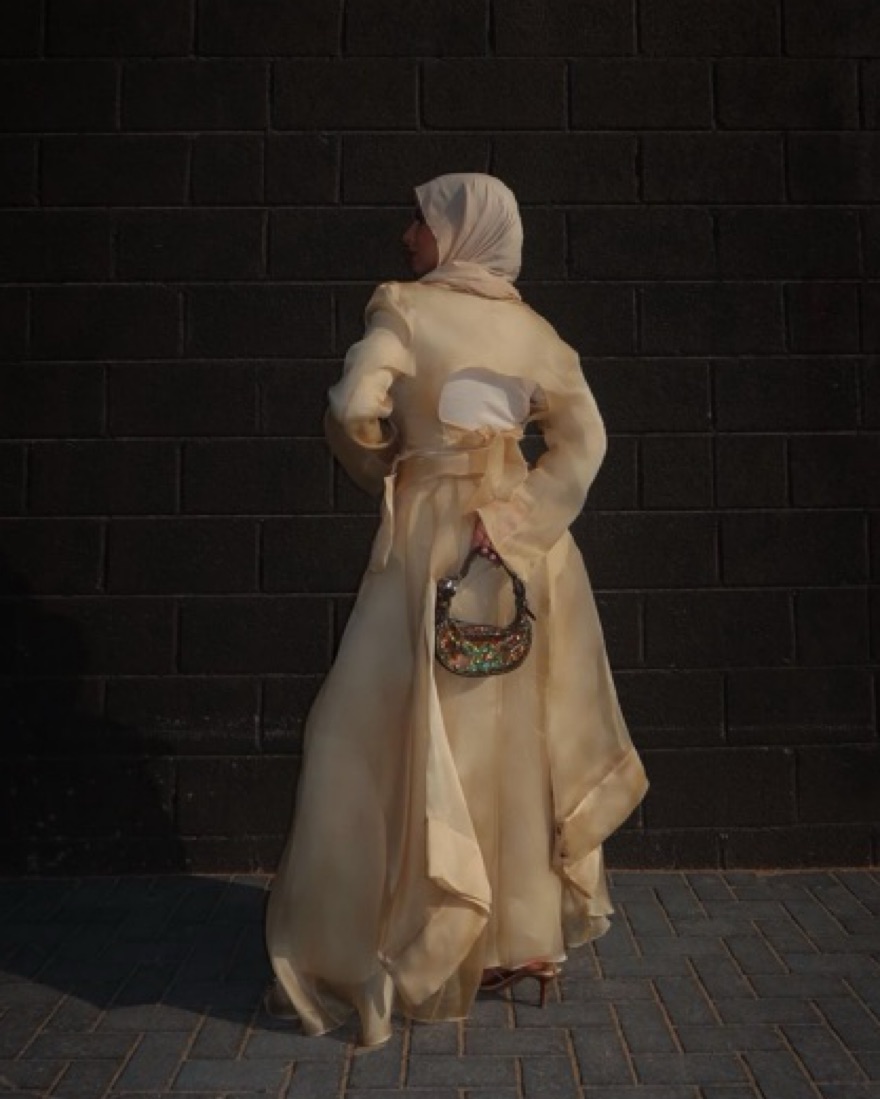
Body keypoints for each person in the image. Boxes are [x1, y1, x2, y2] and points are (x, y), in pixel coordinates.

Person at [265, 173, 648, 1048]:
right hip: (520, 554)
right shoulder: (536, 332)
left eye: (421, 220)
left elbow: (351, 406)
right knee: (509, 738)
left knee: (370, 733)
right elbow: (585, 442)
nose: (408, 235)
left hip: (428, 549)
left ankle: (416, 936)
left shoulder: (404, 310)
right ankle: (521, 940)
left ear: (457, 230)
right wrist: (518, 518)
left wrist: (385, 459)